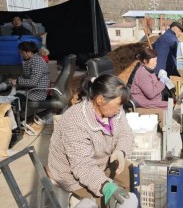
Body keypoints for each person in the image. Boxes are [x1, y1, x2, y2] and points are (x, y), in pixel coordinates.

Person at [48, 74, 137, 208]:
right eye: (118, 104)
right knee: (109, 199)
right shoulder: (76, 121)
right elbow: (82, 165)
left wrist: (121, 151)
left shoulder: (115, 110)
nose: (120, 109)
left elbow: (126, 133)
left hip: (102, 162)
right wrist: (106, 187)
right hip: (72, 174)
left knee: (136, 177)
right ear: (100, 100)